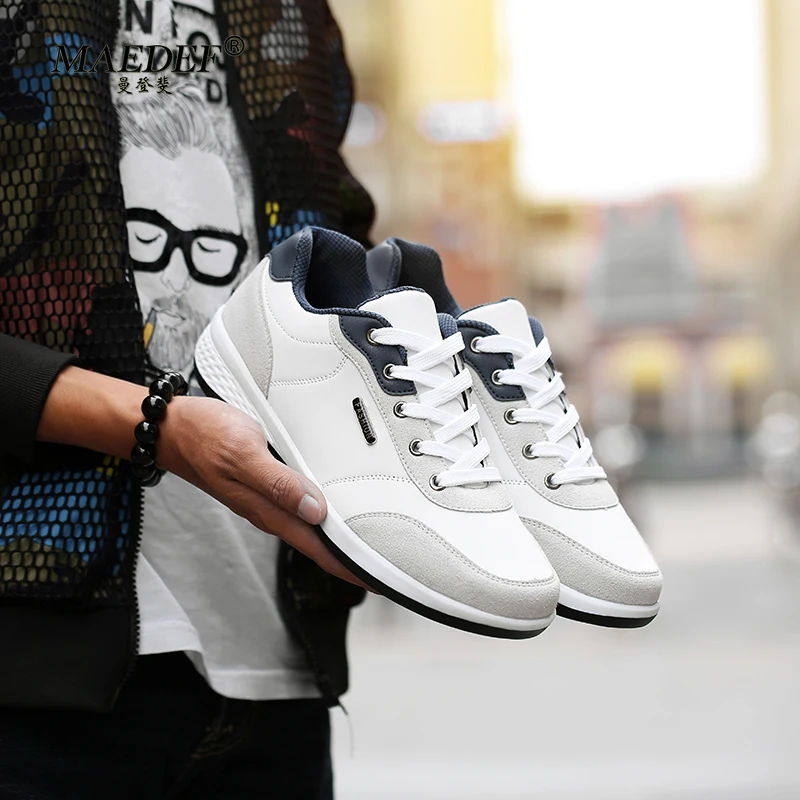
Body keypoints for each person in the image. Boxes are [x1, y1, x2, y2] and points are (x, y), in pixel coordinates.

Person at [0, 1, 373, 796]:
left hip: (273, 667)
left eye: (203, 252)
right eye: (149, 244)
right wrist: (152, 426)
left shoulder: (292, 16)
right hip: (27, 679)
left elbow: (333, 257)